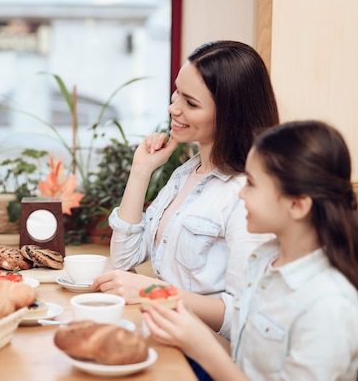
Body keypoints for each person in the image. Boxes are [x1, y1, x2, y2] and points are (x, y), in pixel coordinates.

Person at [143, 120, 358, 380]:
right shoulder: (264, 259)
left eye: (252, 184)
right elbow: (242, 362)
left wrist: (201, 345)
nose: (241, 194)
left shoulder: (329, 307)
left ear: (297, 205)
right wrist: (185, 328)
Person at [93, 40, 279, 340]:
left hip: (204, 356)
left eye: (191, 103)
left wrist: (152, 291)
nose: (173, 108)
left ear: (231, 114)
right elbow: (125, 259)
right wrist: (140, 171)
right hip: (164, 334)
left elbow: (242, 316)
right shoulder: (186, 172)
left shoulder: (247, 194)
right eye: (177, 92)